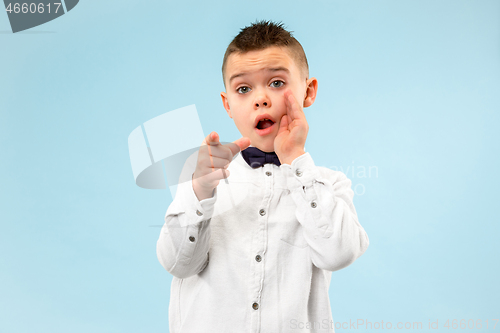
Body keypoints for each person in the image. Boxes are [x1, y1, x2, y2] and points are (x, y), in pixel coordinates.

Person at [156, 20, 369, 333]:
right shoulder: (205, 179)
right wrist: (199, 191)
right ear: (228, 104)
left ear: (308, 92)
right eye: (244, 88)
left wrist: (296, 160)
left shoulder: (328, 185)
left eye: (277, 83)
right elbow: (177, 263)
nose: (260, 98)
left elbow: (339, 253)